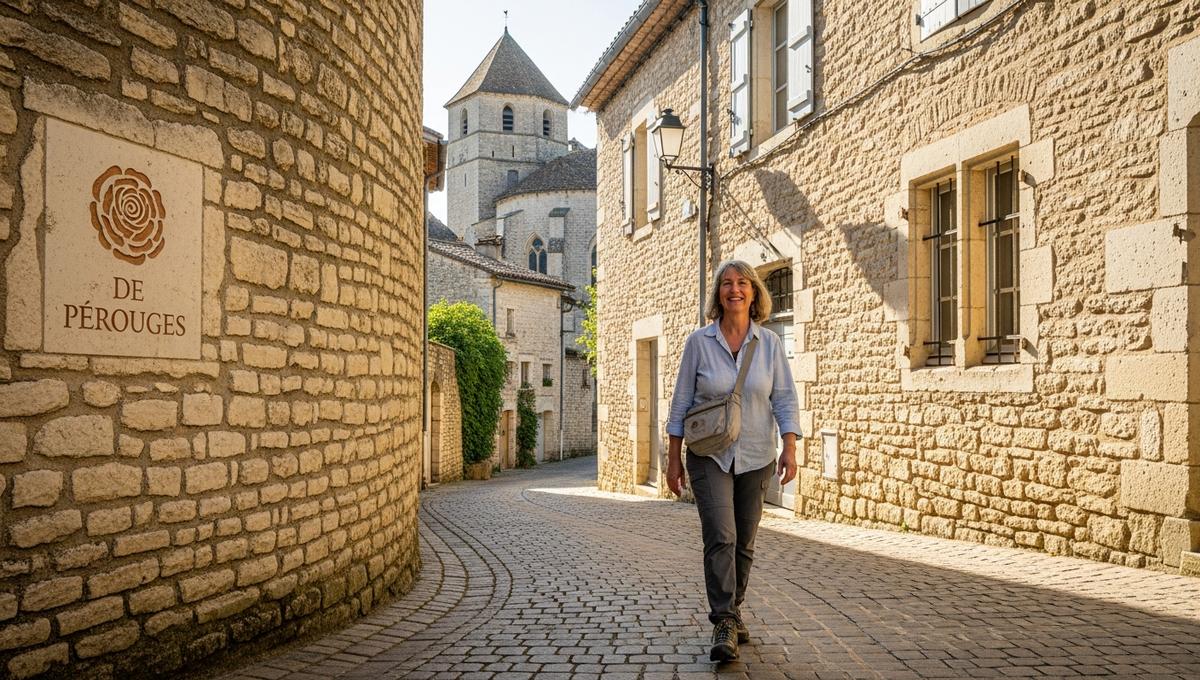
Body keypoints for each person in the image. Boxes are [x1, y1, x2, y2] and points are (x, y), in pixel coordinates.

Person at [666, 259, 801, 663]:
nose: (735, 290)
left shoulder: (770, 345)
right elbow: (680, 404)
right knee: (721, 535)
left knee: (744, 542)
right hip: (709, 455)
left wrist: (790, 447)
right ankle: (723, 619)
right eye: (727, 284)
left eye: (743, 283)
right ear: (718, 294)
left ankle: (735, 610)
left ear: (755, 293)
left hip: (758, 454)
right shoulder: (699, 343)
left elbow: (785, 399)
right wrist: (673, 460)